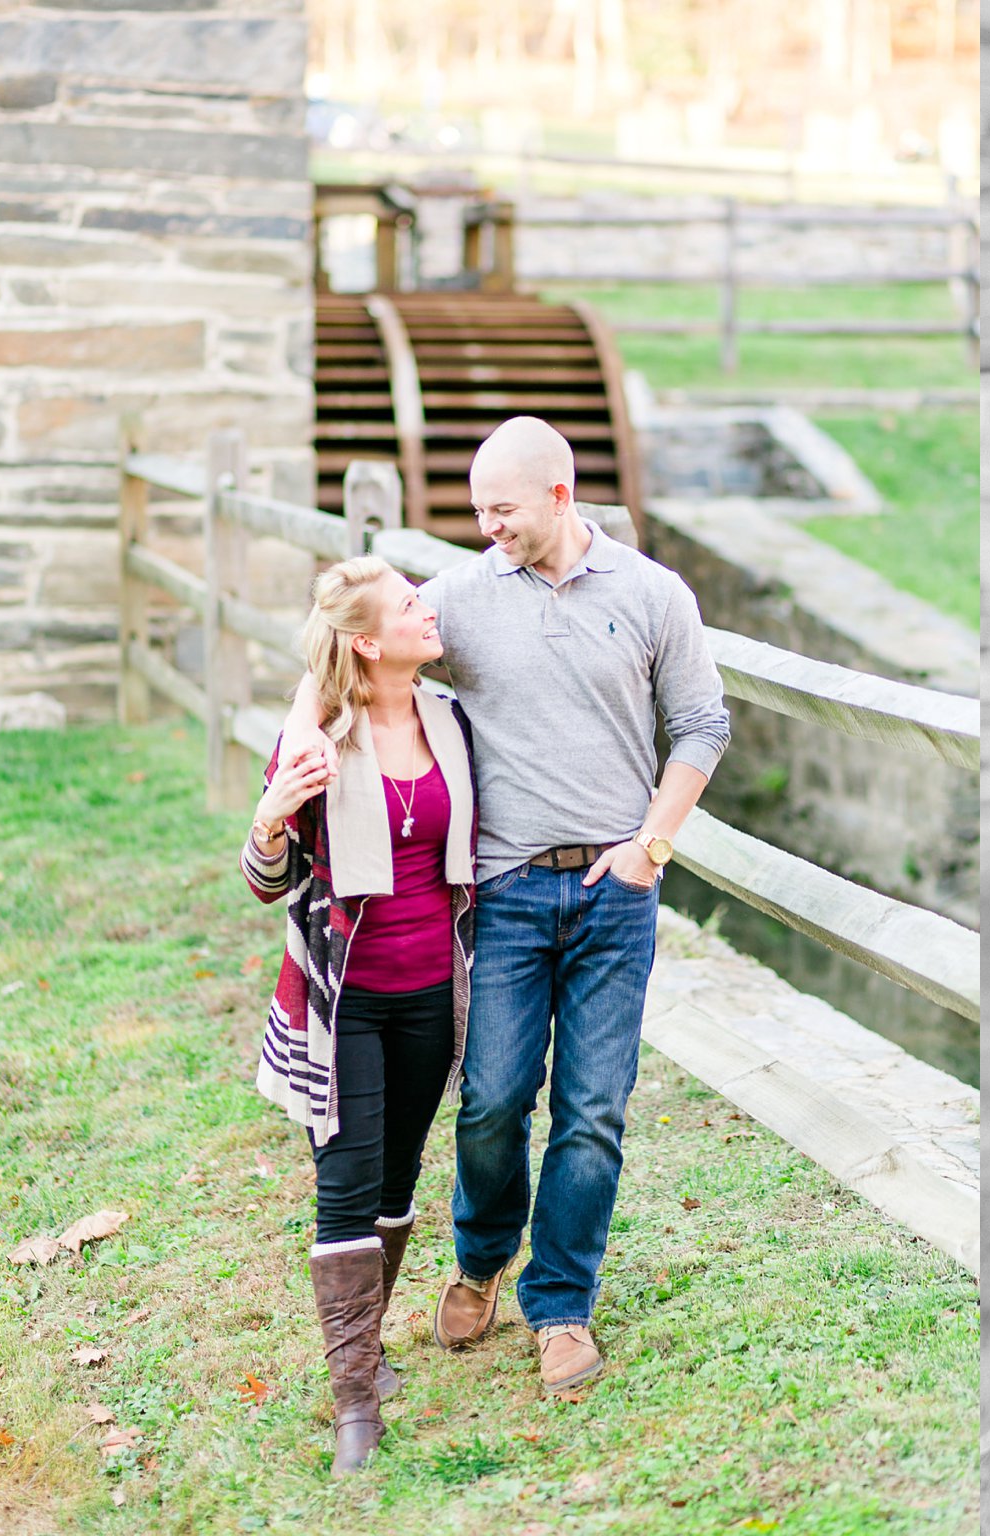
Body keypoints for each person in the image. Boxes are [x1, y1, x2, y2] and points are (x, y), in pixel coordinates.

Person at [280, 415, 730, 1395]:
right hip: (506, 892)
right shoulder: (461, 598)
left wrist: (653, 842)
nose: (487, 528)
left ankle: (560, 1306)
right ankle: (482, 1259)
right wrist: (295, 753)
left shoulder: (655, 596)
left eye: (503, 510)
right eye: (477, 510)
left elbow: (701, 722)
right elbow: (344, 647)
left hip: (616, 895)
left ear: (560, 498)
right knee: (489, 1103)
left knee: (594, 1109)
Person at [241, 556, 477, 1475]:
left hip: (431, 995)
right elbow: (266, 884)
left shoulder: (452, 723)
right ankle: (353, 1410)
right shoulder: (318, 741)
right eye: (410, 603)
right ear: (369, 641)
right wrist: (270, 815)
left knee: (396, 1180)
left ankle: (366, 1356)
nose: (430, 609)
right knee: (345, 1184)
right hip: (342, 1002)